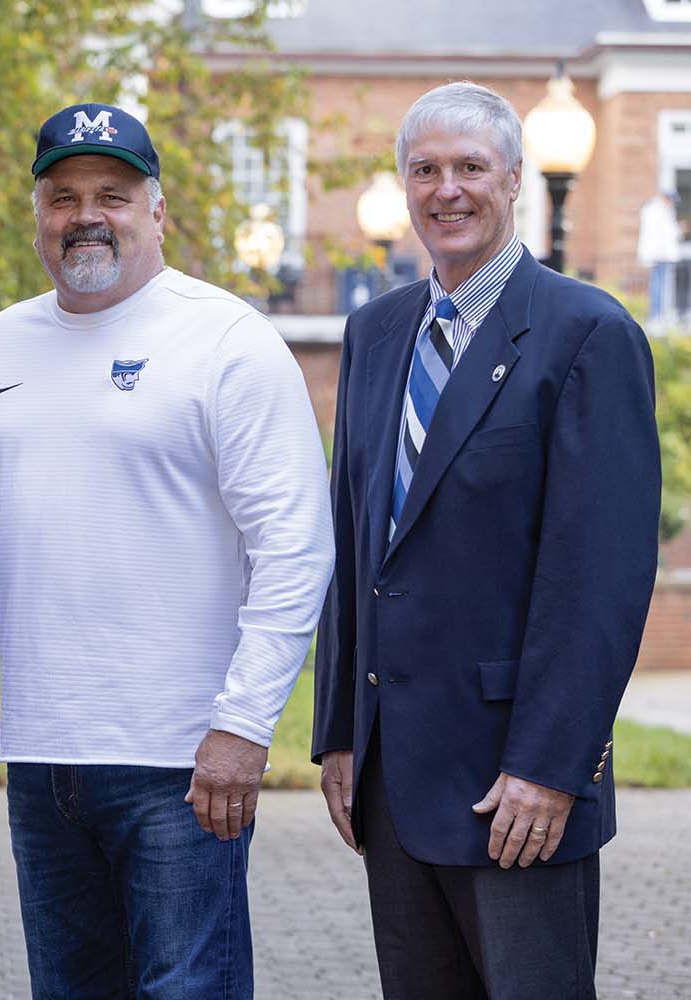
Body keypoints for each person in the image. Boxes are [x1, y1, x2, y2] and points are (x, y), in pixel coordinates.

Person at [0, 103, 334, 998]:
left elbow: (295, 549)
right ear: (37, 212)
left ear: (157, 209)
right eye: (62, 195)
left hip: (184, 763)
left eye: (112, 192)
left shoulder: (227, 342)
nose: (85, 214)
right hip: (41, 759)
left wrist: (244, 724)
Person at [313, 81, 660, 1000]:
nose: (447, 190)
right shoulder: (376, 333)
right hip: (392, 785)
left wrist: (550, 768)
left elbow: (600, 577)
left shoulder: (588, 333)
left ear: (514, 180)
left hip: (515, 790)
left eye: (471, 167)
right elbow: (357, 546)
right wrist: (340, 734)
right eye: (424, 170)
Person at [639, 190, 681, 325]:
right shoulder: (654, 211)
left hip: (664, 256)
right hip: (658, 256)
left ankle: (660, 315)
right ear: (665, 199)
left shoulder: (664, 212)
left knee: (662, 286)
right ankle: (656, 316)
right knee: (657, 287)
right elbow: (654, 236)